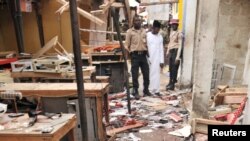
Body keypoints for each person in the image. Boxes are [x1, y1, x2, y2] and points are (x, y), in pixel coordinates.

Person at [125, 15, 152, 99]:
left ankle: (146, 90)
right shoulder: (130, 32)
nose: (138, 22)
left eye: (139, 21)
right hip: (135, 55)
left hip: (143, 55)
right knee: (135, 74)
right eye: (136, 21)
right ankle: (135, 91)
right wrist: (130, 55)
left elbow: (147, 43)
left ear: (141, 22)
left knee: (146, 73)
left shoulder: (144, 31)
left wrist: (148, 53)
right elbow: (126, 45)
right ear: (133, 22)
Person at [147, 20, 164, 96]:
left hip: (157, 59)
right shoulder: (147, 35)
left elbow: (161, 49)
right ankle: (149, 90)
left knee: (157, 75)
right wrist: (147, 58)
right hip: (149, 58)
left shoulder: (160, 37)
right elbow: (145, 47)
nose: (158, 30)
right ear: (153, 28)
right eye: (157, 28)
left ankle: (156, 90)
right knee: (149, 74)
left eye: (159, 29)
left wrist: (161, 61)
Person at [166, 19, 183, 90]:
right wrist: (167, 51)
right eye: (172, 24)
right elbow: (170, 42)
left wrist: (177, 57)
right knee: (170, 68)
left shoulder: (179, 33)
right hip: (171, 51)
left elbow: (180, 45)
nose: (173, 26)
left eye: (175, 24)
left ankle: (172, 84)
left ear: (177, 25)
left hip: (176, 52)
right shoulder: (171, 32)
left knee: (174, 69)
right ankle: (170, 82)